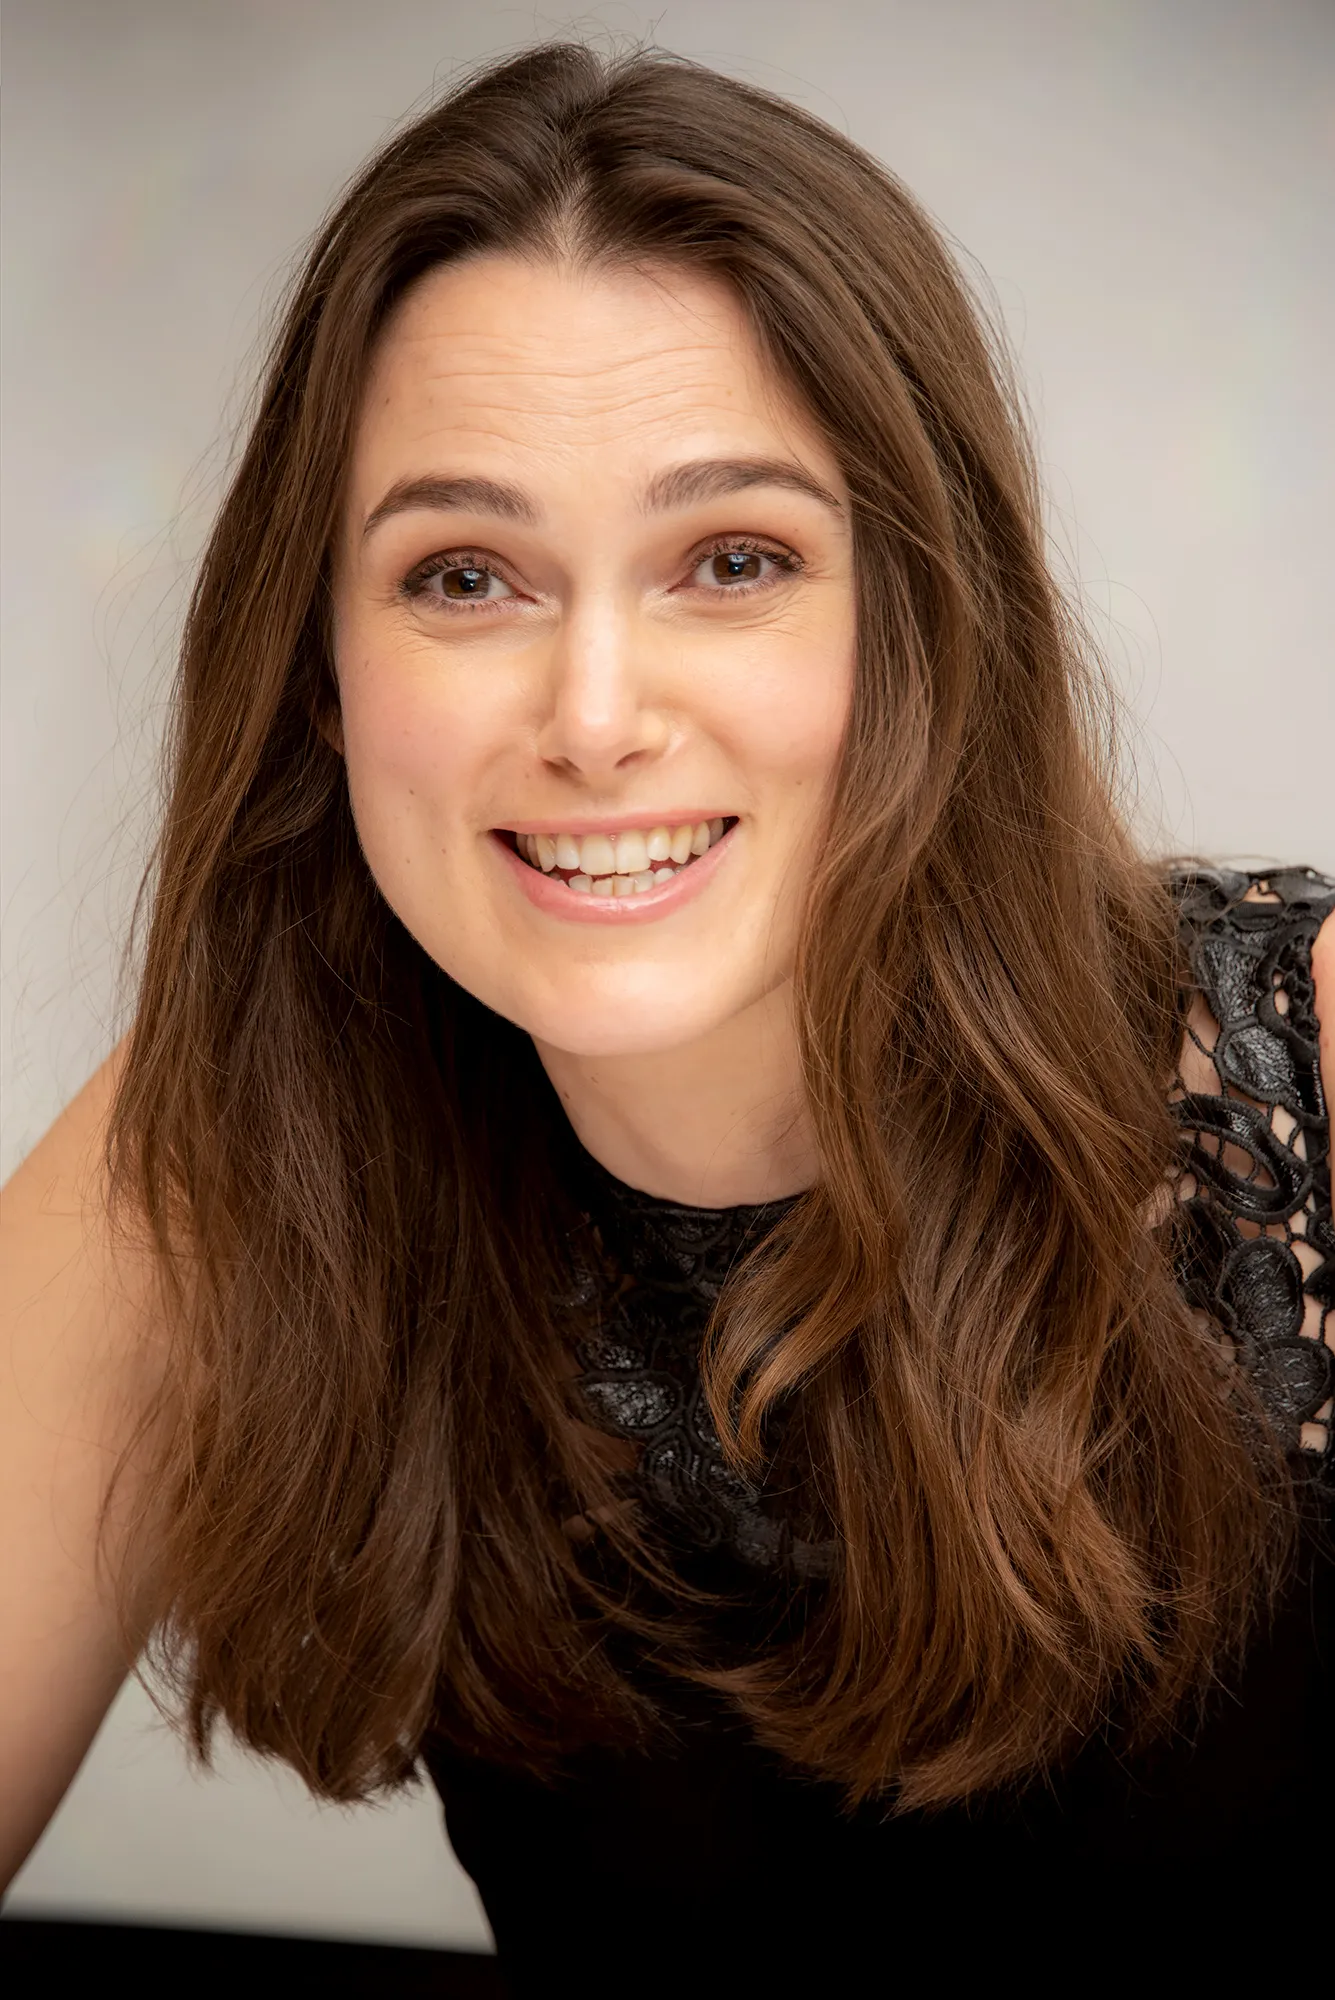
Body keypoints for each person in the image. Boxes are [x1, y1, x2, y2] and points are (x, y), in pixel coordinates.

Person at [3, 41, 1332, 1986]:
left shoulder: (1311, 1050)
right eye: (466, 575)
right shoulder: (228, 1144)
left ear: (924, 631)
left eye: (733, 561)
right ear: (321, 678)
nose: (596, 713)